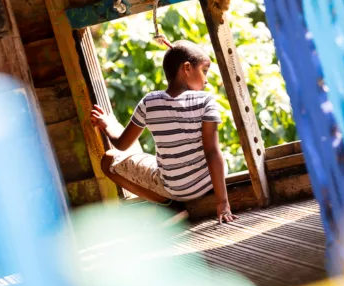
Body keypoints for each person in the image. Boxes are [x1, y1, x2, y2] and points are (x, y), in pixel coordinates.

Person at [90, 40, 237, 224]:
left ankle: (166, 202)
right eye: (204, 71)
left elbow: (121, 144)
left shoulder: (149, 102)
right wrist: (223, 203)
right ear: (187, 68)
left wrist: (107, 124)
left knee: (108, 160)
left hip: (174, 189)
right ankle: (170, 200)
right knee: (214, 150)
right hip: (208, 183)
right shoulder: (206, 101)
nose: (206, 80)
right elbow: (212, 152)